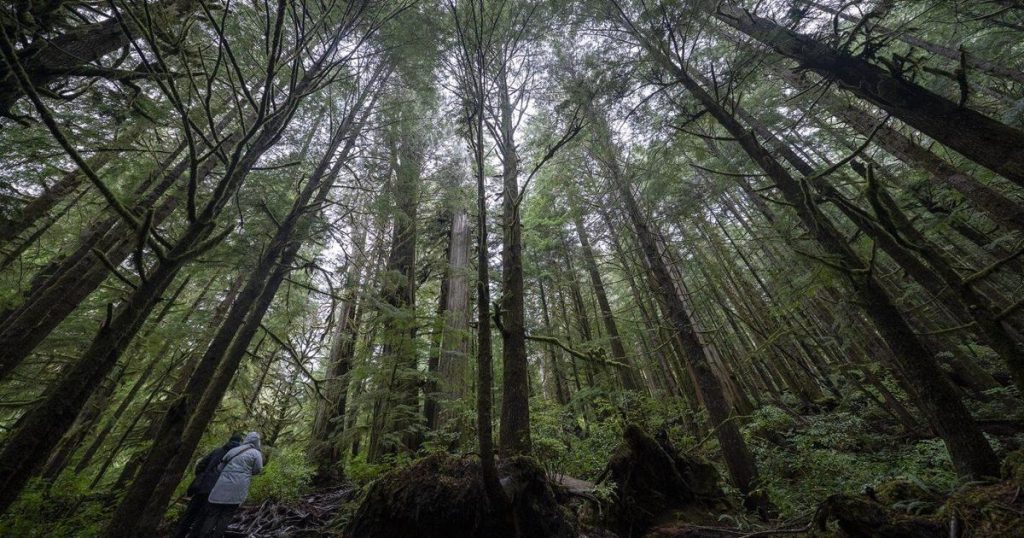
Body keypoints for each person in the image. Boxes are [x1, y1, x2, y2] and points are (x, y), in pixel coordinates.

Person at [173, 433, 242, 538]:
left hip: (202, 487)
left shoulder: (217, 451)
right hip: (216, 491)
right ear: (239, 443)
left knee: (189, 514)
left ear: (229, 440)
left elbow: (201, 465)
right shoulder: (236, 458)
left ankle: (178, 535)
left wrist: (202, 477)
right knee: (202, 518)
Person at [196, 431, 264, 538]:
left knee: (212, 513)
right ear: (257, 442)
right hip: (238, 488)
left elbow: (220, 468)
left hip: (221, 486)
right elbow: (257, 470)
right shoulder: (256, 454)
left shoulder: (234, 450)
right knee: (226, 515)